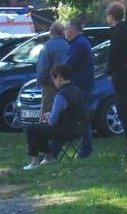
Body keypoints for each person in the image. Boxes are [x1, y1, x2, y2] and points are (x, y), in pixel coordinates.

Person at [22, 64, 86, 170]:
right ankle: (48, 157)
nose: (54, 82)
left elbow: (52, 122)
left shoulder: (61, 95)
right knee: (40, 129)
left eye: (54, 79)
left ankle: (35, 161)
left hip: (65, 132)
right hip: (78, 129)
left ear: (59, 78)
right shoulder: (77, 90)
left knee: (32, 129)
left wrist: (48, 117)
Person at [106, 2, 127, 156]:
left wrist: (109, 72)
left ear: (112, 16)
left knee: (124, 111)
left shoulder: (117, 33)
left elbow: (114, 57)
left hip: (121, 76)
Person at [64, 17, 94, 158]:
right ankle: (84, 148)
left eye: (66, 28)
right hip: (80, 86)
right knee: (81, 116)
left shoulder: (79, 44)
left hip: (81, 86)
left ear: (73, 30)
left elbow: (69, 64)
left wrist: (58, 71)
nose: (64, 31)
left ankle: (86, 149)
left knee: (82, 117)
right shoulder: (77, 43)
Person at [36, 21, 69, 116]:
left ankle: (45, 129)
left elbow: (43, 66)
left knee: (47, 109)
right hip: (66, 83)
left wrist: (41, 81)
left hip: (50, 84)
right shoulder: (68, 44)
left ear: (51, 31)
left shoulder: (48, 46)